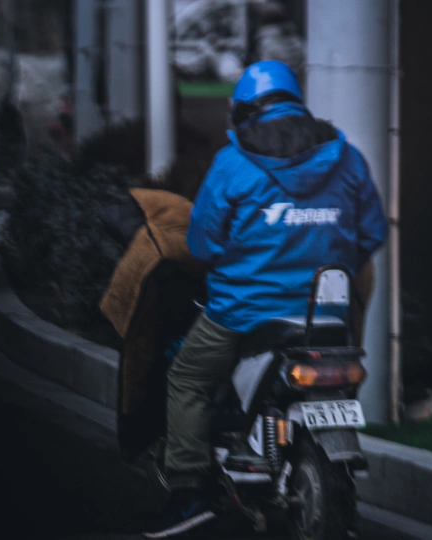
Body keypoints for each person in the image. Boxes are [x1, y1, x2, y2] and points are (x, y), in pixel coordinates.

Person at [146, 59, 387, 537]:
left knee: (188, 379)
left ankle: (189, 492)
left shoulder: (232, 163)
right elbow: (371, 234)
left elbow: (202, 246)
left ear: (242, 111)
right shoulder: (348, 158)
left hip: (242, 314)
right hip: (324, 317)